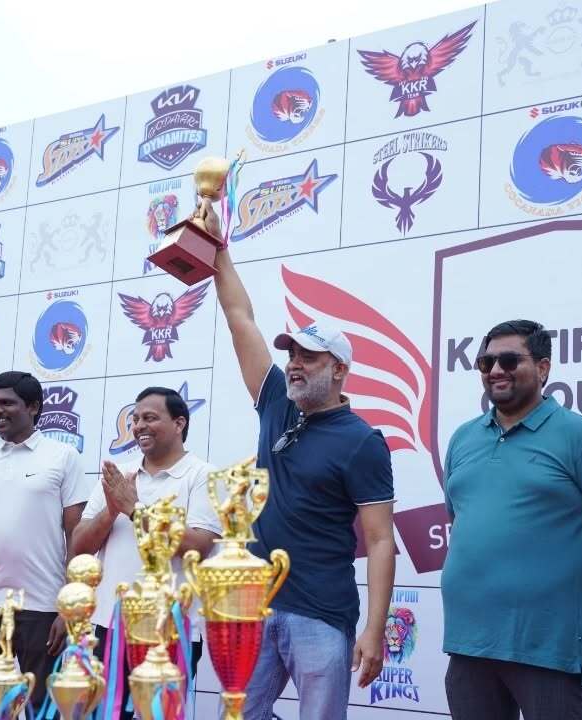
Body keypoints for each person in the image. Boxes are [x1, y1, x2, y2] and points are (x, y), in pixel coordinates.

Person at [210, 215, 397, 720]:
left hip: (320, 611)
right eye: (292, 353)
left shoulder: (362, 442)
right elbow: (239, 316)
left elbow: (380, 539)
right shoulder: (276, 401)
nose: (294, 362)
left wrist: (374, 629)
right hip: (252, 605)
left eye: (309, 356)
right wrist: (218, 248)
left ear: (338, 369)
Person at [441, 320, 582, 720]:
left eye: (509, 360)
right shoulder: (463, 439)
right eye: (486, 362)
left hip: (547, 650)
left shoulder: (581, 438)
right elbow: (462, 522)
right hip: (468, 645)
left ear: (543, 368)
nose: (496, 370)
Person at [0, 371, 92, 717]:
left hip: (44, 607)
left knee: (44, 709)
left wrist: (69, 609)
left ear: (33, 407)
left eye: (7, 403)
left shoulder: (62, 457)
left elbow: (77, 536)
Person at [71, 386, 221, 719]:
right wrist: (112, 509)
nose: (139, 426)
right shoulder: (119, 477)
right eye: (135, 419)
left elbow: (199, 546)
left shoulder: (202, 475)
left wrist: (134, 509)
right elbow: (79, 547)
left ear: (179, 423)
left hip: (171, 630)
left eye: (150, 418)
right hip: (110, 626)